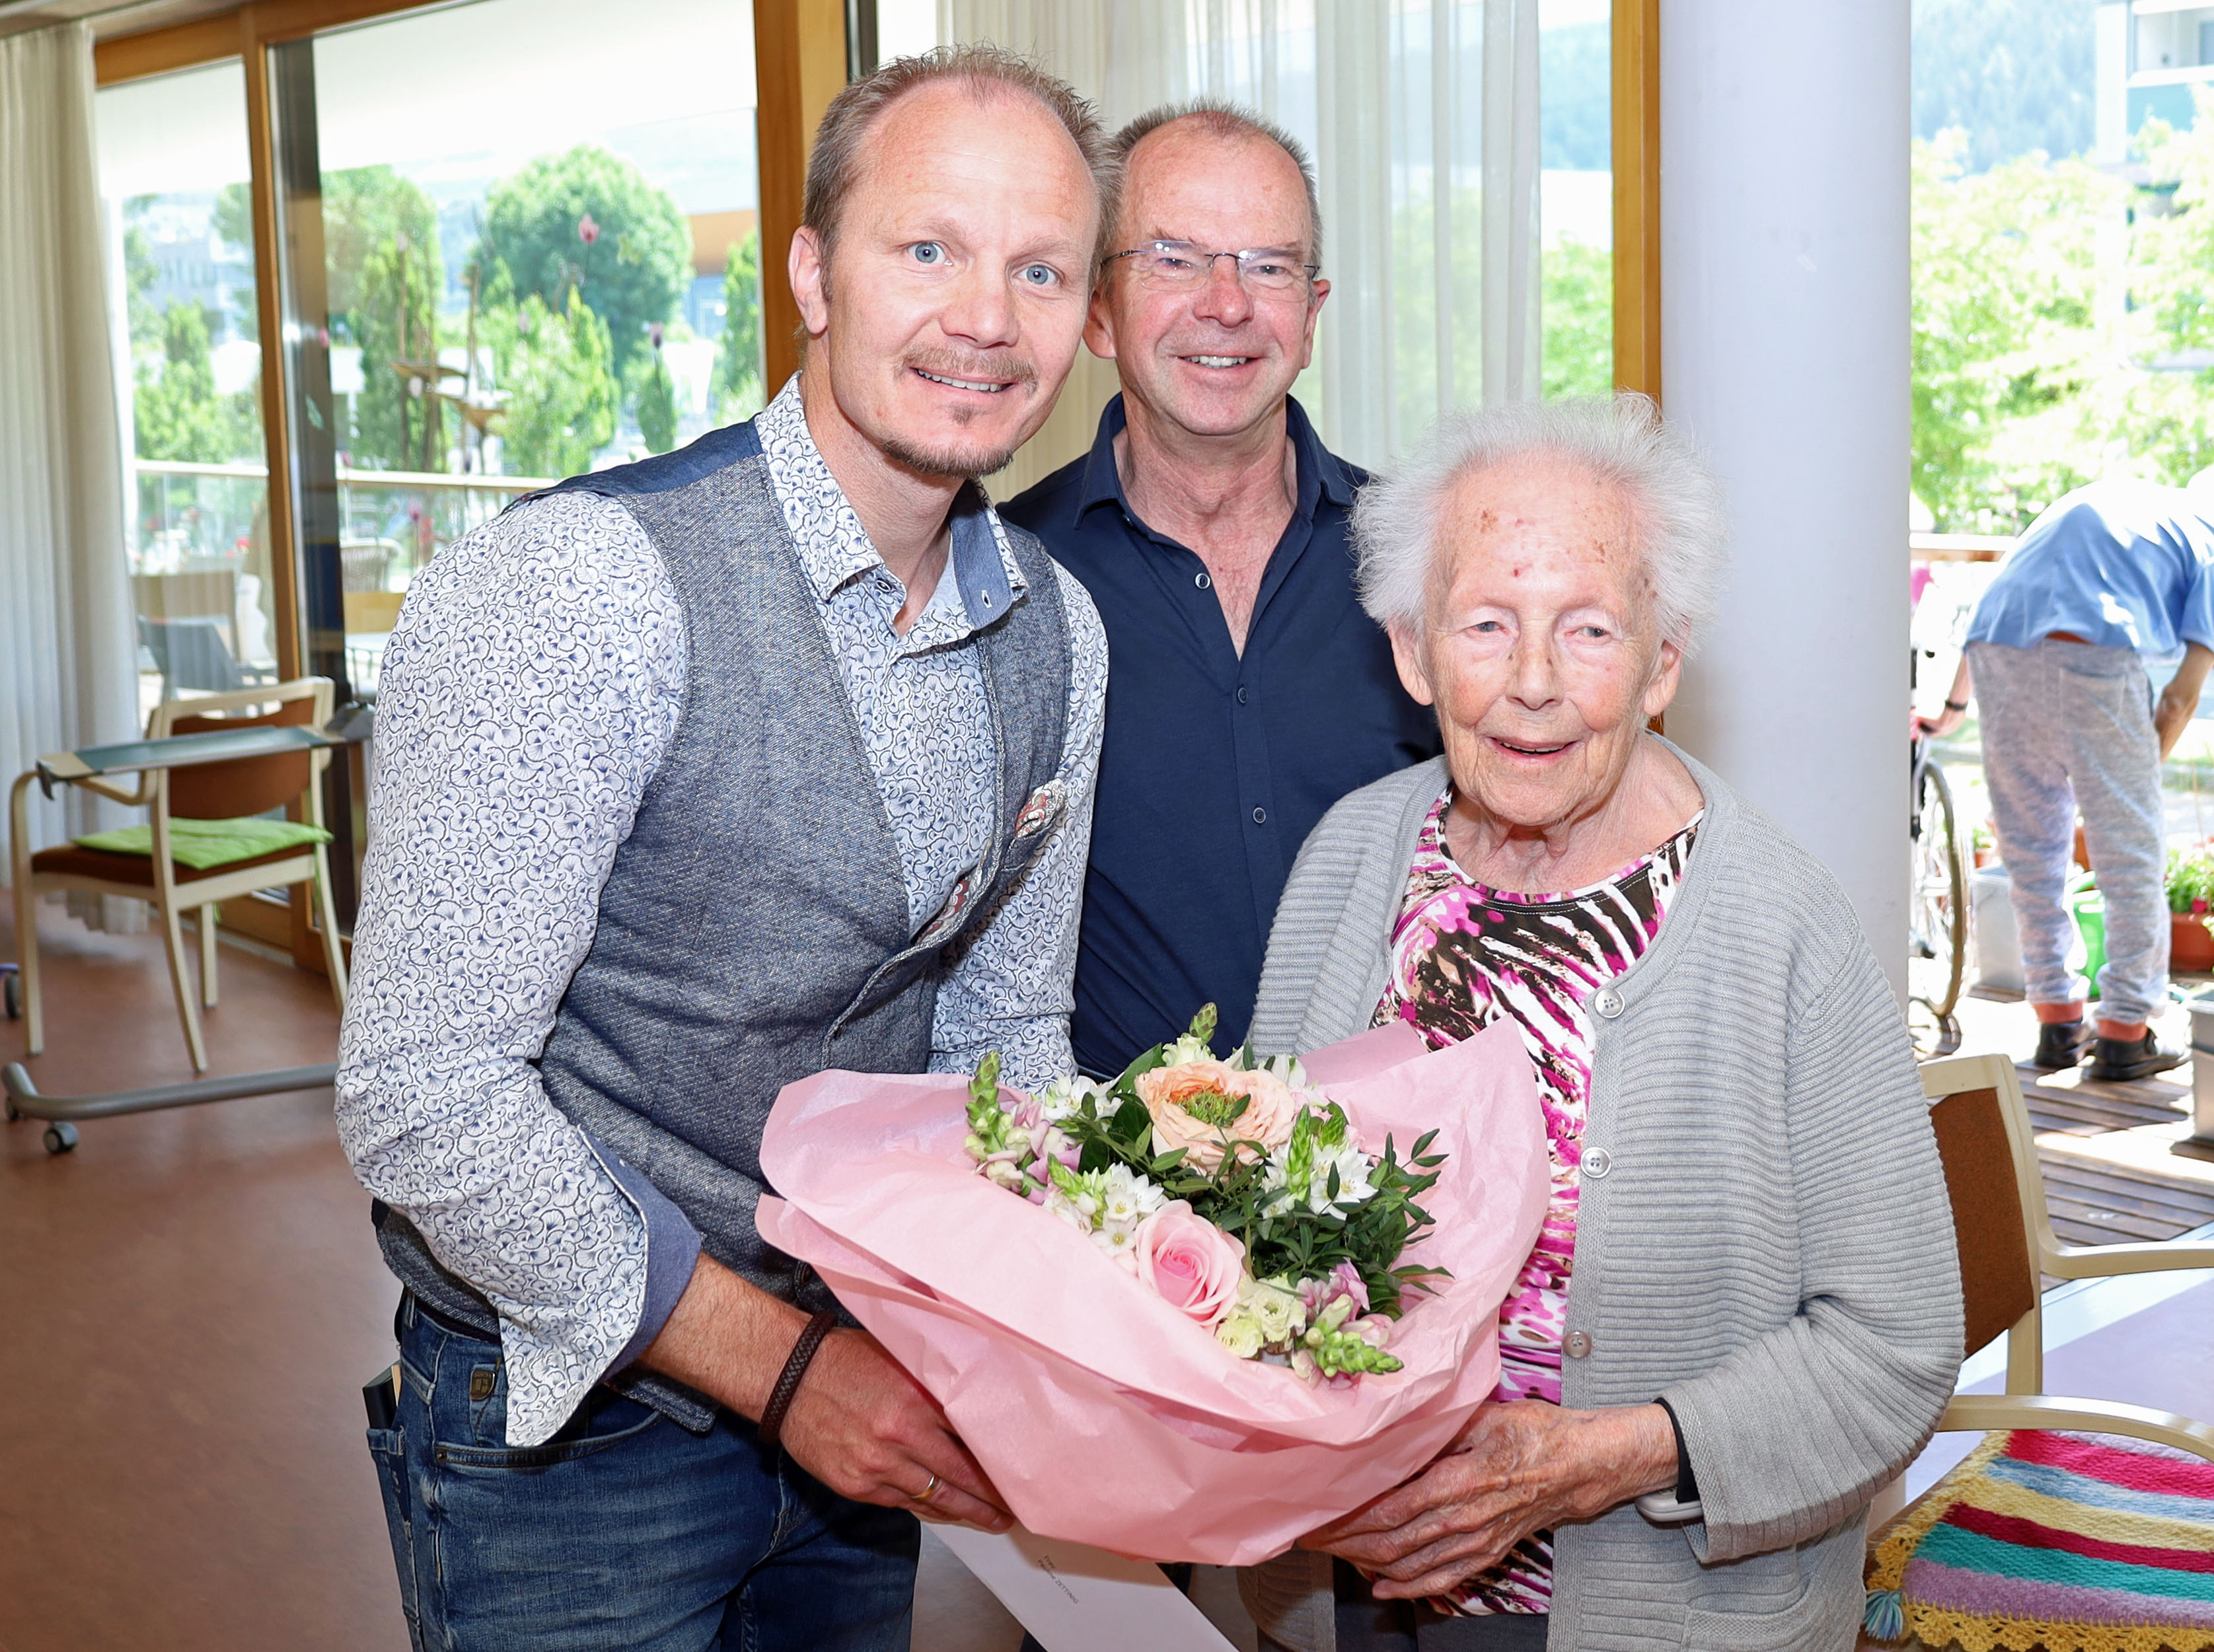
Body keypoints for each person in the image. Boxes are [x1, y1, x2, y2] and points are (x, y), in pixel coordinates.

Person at [335, 48, 1111, 1650]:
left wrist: (1125, 1294)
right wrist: (789, 1368)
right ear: (813, 273)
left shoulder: (1060, 633)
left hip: (864, 1391)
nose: (986, 317)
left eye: (1040, 270)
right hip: (576, 1428)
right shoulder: (583, 589)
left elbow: (1003, 1031)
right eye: (929, 248)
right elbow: (424, 1093)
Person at [1239, 396, 1962, 1651]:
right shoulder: (1348, 859)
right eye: (1485, 624)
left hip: (1660, 1613)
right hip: (1349, 1593)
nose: (1531, 683)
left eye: (1587, 629)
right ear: (1412, 652)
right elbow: (1238, 1213)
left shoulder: (1781, 925)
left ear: (1661, 662)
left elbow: (1892, 1347)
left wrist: (1601, 1459)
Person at [1001, 102, 1439, 1077]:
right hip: (1108, 1163)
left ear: (1311, 317)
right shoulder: (1006, 580)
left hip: (1407, 1149)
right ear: (1099, 311)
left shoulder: (1423, 561)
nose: (1227, 304)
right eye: (1173, 258)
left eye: (1268, 266)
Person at [1919, 468, 2214, 1082]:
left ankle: (2057, 1023)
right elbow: (2180, 698)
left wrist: (1952, 706)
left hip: (1996, 651)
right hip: (2092, 651)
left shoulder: (2122, 498)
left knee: (2032, 850)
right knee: (2130, 854)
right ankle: (2126, 1034)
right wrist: (2130, 780)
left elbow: (1996, 602)